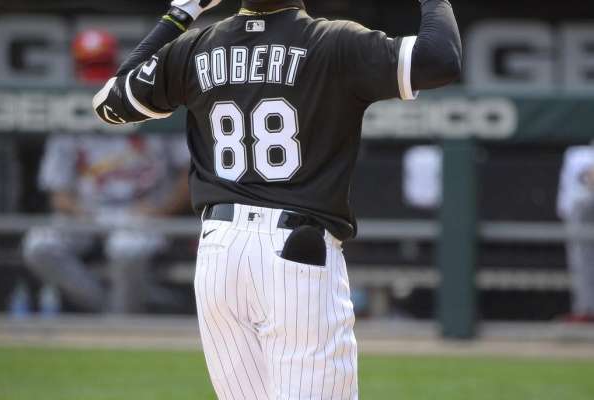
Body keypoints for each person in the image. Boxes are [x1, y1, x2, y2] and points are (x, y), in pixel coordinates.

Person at [93, 0, 461, 397]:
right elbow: (440, 59)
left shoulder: (195, 46)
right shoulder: (332, 41)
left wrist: (181, 13)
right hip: (297, 252)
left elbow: (110, 103)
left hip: (220, 252)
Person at [22, 29, 191, 314]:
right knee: (38, 245)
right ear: (76, 70)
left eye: (102, 67)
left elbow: (190, 172)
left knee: (126, 249)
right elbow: (58, 193)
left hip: (142, 212)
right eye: (90, 69)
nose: (96, 80)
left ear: (117, 65)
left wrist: (161, 210)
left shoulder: (149, 102)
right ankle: (109, 313)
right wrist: (79, 211)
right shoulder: (68, 113)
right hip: (87, 213)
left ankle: (120, 322)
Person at [557, 145, 594, 322]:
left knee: (584, 262)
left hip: (584, 210)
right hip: (578, 212)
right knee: (581, 262)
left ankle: (586, 310)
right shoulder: (578, 154)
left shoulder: (581, 155)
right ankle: (585, 309)